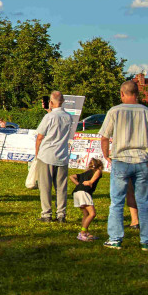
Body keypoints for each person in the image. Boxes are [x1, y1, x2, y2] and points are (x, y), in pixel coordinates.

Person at [99, 81, 148, 250]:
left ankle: (115, 238)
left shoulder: (115, 111)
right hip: (141, 161)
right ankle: (147, 240)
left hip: (120, 160)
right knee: (144, 202)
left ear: (122, 94)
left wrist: (106, 155)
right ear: (137, 94)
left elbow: (105, 136)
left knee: (117, 201)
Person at [34, 91, 73, 222]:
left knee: (45, 186)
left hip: (47, 155)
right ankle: (61, 214)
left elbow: (40, 136)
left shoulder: (49, 117)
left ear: (51, 102)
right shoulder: (68, 117)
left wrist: (37, 153)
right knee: (61, 187)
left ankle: (46, 214)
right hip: (62, 155)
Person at [70, 159, 103, 241]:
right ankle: (82, 233)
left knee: (86, 214)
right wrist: (90, 182)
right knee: (92, 214)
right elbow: (96, 175)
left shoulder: (84, 173)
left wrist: (78, 184)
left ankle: (86, 233)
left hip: (76, 192)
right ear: (99, 166)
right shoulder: (97, 171)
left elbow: (71, 176)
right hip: (84, 192)